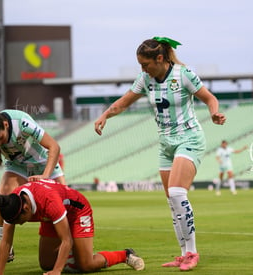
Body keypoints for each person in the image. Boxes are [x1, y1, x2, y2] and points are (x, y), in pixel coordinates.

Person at [94, 36, 226, 271]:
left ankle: (193, 252)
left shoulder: (184, 74)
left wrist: (215, 113)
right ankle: (183, 254)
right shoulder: (146, 79)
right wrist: (105, 115)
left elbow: (209, 98)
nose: (143, 70)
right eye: (140, 66)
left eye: (145, 65)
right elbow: (124, 102)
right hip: (166, 145)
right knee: (172, 202)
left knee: (177, 193)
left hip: (189, 138)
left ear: (160, 58)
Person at [0, 108, 66, 271]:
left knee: (66, 204)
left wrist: (45, 176)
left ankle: (73, 250)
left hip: (43, 163)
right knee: (4, 198)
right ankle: (6, 251)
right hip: (17, 166)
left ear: (5, 124)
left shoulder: (21, 122)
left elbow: (54, 147)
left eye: (0, 137)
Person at [0, 179, 145, 274]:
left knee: (86, 265)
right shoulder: (12, 203)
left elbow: (66, 240)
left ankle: (125, 254)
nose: (18, 225)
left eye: (19, 222)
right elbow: (5, 242)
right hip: (51, 217)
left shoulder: (49, 201)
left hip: (77, 212)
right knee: (46, 265)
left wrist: (57, 271)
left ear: (26, 209)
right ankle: (74, 255)